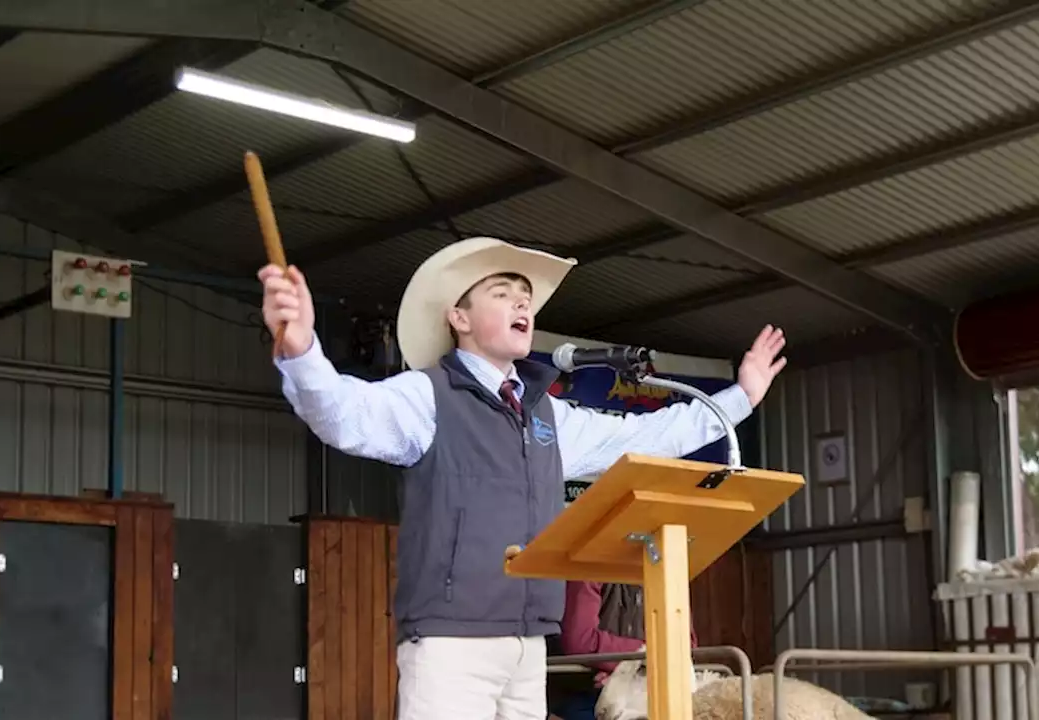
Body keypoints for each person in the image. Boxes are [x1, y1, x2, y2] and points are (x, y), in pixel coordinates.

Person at [257, 236, 787, 720]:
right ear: (458, 318)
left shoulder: (546, 414)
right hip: (450, 641)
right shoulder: (427, 395)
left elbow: (643, 438)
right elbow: (343, 415)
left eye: (526, 296)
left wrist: (740, 398)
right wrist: (302, 350)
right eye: (502, 292)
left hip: (530, 641)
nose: (521, 304)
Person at [548, 581, 699, 719]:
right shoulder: (591, 564)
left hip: (650, 688)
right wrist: (629, 667)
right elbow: (580, 641)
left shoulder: (668, 570)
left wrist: (626, 670)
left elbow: (684, 646)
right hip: (584, 691)